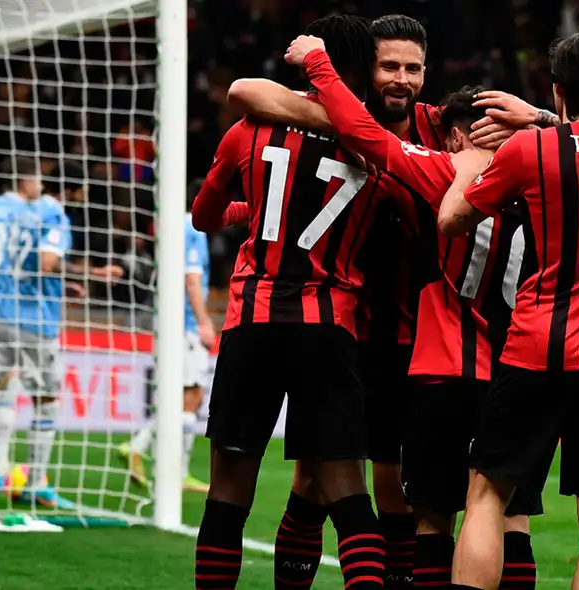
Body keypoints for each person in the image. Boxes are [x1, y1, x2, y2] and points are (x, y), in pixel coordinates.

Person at [227, 16, 517, 588]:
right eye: (389, 66)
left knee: (412, 495)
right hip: (356, 330)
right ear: (366, 70)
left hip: (424, 334)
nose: (401, 79)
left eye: (413, 68)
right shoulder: (341, 113)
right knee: (313, 479)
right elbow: (248, 92)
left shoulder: (440, 129)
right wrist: (339, 120)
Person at [284, 34, 555, 588]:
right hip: (521, 372)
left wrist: (318, 65)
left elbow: (367, 136)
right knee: (513, 519)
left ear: (461, 135)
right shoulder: (554, 188)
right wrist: (545, 122)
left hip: (445, 372)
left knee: (433, 521)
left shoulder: (444, 173)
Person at [436, 31, 579, 590]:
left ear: (559, 89)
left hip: (537, 348)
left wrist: (472, 157)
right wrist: (544, 116)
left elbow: (452, 220)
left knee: (488, 494)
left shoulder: (529, 150)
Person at [190, 15, 387, 590]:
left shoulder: (249, 130)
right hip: (329, 328)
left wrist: (250, 213)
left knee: (228, 493)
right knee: (347, 493)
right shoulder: (377, 149)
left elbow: (204, 216)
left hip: (252, 320)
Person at [0, 158, 121, 508]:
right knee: (46, 401)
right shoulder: (49, 212)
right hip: (33, 321)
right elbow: (47, 262)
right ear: (29, 180)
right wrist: (94, 273)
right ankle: (35, 484)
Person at [116, 179, 214, 493]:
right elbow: (192, 280)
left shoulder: (174, 228)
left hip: (167, 318)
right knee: (192, 393)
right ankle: (161, 460)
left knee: (184, 394)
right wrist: (203, 322)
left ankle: (146, 449)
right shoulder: (193, 230)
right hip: (184, 322)